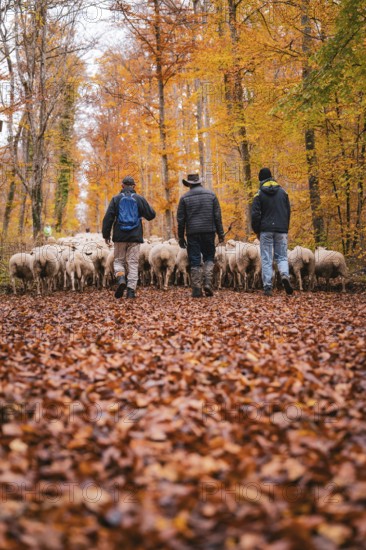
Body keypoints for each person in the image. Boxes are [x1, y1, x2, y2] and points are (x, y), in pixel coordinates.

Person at [102, 176, 156, 299]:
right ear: (134, 186)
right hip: (135, 236)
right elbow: (151, 215)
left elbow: (108, 218)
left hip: (119, 236)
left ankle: (121, 278)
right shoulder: (139, 199)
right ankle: (131, 291)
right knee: (133, 263)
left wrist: (106, 235)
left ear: (122, 186)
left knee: (119, 261)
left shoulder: (115, 199)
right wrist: (141, 211)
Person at [177, 173, 225, 298]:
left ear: (189, 184)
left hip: (192, 233)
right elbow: (217, 216)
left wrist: (181, 237)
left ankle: (197, 289)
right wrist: (220, 233)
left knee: (195, 260)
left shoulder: (184, 198)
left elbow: (181, 219)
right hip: (209, 232)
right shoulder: (211, 195)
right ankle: (208, 282)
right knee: (209, 257)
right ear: (200, 182)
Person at [251, 167, 293, 296]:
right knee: (282, 256)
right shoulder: (283, 192)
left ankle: (268, 286)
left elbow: (255, 215)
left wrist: (257, 230)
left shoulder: (259, 194)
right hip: (281, 230)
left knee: (267, 258)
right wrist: (285, 227)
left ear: (261, 180)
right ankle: (285, 275)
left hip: (266, 230)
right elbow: (288, 212)